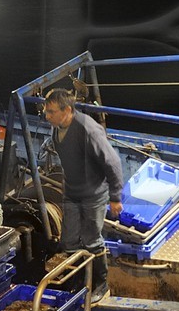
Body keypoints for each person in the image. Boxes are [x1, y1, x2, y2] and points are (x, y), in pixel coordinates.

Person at [41, 89, 123, 299]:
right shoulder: (57, 128)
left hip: (93, 194)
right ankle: (77, 283)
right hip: (71, 193)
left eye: (51, 112)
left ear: (67, 110)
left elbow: (112, 162)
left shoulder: (88, 130)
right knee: (68, 242)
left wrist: (115, 197)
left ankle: (101, 284)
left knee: (91, 240)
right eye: (46, 111)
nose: (46, 116)